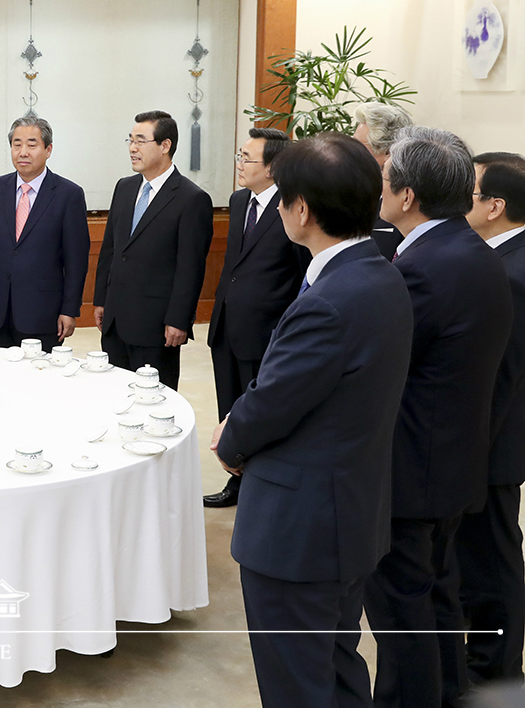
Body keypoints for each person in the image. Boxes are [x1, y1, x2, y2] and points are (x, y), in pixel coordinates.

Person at [211, 132, 413, 708]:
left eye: (282, 198)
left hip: (299, 531)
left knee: (297, 683)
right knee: (336, 667)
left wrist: (232, 438)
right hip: (349, 515)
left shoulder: (329, 300)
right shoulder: (379, 273)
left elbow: (273, 401)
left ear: (300, 208)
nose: (277, 209)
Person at [363, 126, 512, 708]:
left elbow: (383, 367)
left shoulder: (422, 268)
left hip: (412, 471)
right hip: (453, 460)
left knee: (403, 615)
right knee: (438, 597)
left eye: (384, 178)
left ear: (405, 196)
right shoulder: (471, 251)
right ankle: (451, 694)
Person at [203, 127, 308, 508]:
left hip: (265, 331)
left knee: (256, 415)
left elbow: (302, 274)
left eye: (247, 159)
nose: (240, 165)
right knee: (227, 407)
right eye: (240, 156)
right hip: (227, 324)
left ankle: (259, 488)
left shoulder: (293, 207)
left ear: (274, 167)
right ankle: (235, 483)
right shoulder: (238, 200)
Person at [457, 151, 525, 686]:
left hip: (494, 442)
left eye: (471, 193)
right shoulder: (501, 257)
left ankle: (495, 671)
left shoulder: (511, 272)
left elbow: (503, 377)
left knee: (492, 559)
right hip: (492, 437)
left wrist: (472, 451)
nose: (463, 203)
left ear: (495, 207)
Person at [92, 109, 213, 389]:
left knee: (154, 401)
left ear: (165, 145)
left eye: (141, 141)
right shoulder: (124, 188)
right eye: (130, 140)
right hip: (115, 320)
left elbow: (190, 267)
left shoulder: (191, 199)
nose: (132, 148)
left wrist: (179, 320)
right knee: (113, 395)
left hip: (156, 325)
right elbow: (110, 249)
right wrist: (101, 299)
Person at [0, 117, 90, 350]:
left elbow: (76, 260)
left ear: (48, 149)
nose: (23, 152)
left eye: (32, 145)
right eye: (16, 144)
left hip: (43, 311)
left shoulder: (68, 194)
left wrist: (69, 309)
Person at [354, 102, 413, 261]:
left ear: (388, 152)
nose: (351, 152)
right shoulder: (349, 192)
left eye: (359, 146)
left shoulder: (405, 203)